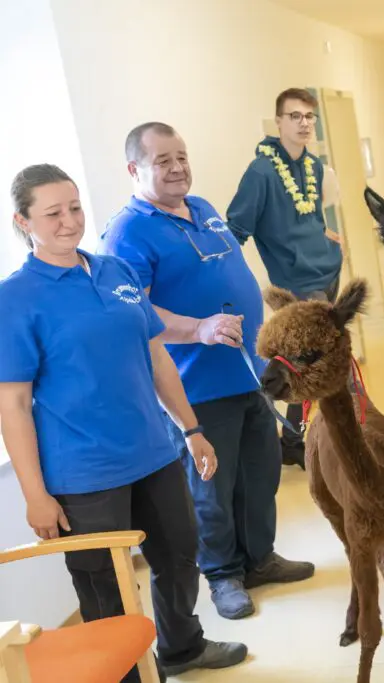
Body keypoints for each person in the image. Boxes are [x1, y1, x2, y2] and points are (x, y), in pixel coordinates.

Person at [0, 164, 247, 680]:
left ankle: (182, 648)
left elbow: (157, 356)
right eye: (53, 213)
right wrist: (34, 495)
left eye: (74, 207)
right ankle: (124, 674)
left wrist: (191, 428)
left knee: (180, 557)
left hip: (155, 452)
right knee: (105, 591)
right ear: (25, 222)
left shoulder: (116, 272)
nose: (69, 221)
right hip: (83, 473)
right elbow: (14, 405)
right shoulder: (15, 298)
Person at [99, 122, 316, 621]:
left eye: (182, 156)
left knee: (260, 476)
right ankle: (222, 576)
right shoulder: (128, 231)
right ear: (134, 170)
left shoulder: (203, 210)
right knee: (210, 489)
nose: (178, 168)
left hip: (248, 373)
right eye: (162, 161)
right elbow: (136, 313)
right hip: (195, 386)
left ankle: (259, 559)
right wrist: (198, 328)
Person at [225, 88, 342, 468]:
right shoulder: (261, 172)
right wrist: (229, 281)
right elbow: (236, 230)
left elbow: (309, 215)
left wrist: (323, 237)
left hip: (328, 271)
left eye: (309, 116)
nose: (304, 123)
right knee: (331, 365)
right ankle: (354, 441)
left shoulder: (314, 166)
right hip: (297, 284)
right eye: (295, 116)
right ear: (278, 122)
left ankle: (293, 441)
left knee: (309, 368)